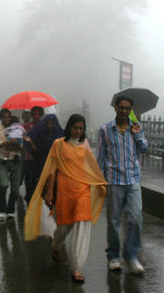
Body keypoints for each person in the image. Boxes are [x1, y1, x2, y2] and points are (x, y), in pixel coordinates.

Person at [24, 114, 107, 282]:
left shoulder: (84, 144)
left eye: (81, 128)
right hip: (64, 189)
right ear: (69, 127)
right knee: (64, 227)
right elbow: (53, 169)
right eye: (75, 128)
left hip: (83, 189)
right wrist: (49, 192)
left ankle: (77, 268)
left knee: (82, 225)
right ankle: (56, 245)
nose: (78, 131)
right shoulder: (59, 144)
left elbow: (91, 165)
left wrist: (99, 182)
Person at [97, 95, 148, 274]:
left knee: (135, 219)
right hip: (113, 181)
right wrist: (100, 181)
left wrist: (138, 135)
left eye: (128, 108)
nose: (124, 111)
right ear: (115, 108)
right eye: (121, 108)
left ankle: (132, 256)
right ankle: (113, 256)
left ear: (131, 110)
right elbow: (101, 157)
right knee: (114, 221)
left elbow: (144, 149)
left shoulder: (136, 128)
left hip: (133, 180)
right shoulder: (105, 130)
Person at [0, 108, 22, 220]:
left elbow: (21, 143)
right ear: (1, 118)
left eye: (8, 117)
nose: (6, 119)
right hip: (3, 160)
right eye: (4, 117)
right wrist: (6, 143)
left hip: (16, 160)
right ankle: (1, 209)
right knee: (3, 185)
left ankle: (11, 210)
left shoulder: (17, 128)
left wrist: (17, 145)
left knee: (15, 189)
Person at [26, 114, 64, 178]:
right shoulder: (41, 135)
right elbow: (37, 151)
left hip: (56, 163)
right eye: (47, 124)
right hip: (42, 163)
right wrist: (31, 143)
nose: (49, 126)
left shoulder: (60, 135)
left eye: (51, 124)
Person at [22, 106, 44, 204]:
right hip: (29, 158)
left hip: (40, 158)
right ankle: (29, 198)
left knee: (38, 180)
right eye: (34, 114)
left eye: (38, 114)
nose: (36, 116)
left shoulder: (44, 126)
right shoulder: (26, 127)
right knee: (29, 179)